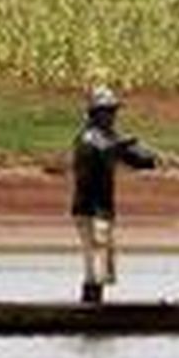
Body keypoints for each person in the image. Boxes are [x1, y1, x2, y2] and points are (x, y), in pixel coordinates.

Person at [71, 85, 157, 304]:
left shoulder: (109, 137)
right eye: (107, 111)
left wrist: (148, 158)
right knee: (97, 258)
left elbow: (134, 159)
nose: (111, 116)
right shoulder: (88, 137)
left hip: (103, 208)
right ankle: (91, 308)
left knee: (102, 260)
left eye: (112, 111)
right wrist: (127, 142)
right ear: (95, 114)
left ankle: (93, 306)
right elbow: (106, 149)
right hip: (89, 208)